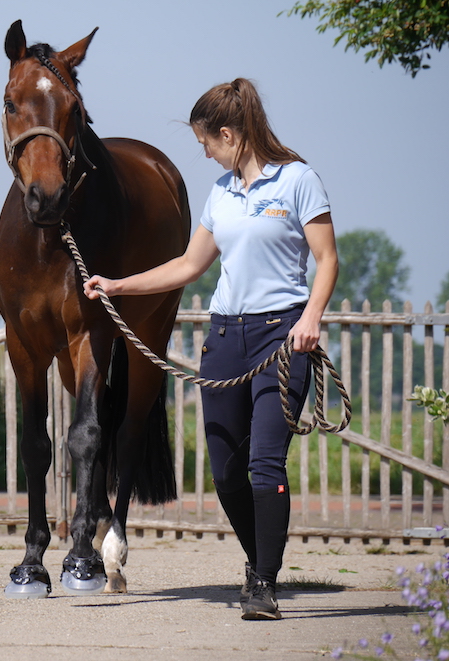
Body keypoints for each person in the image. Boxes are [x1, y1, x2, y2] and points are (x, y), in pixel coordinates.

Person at [83, 78, 339, 620]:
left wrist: (311, 317)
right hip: (225, 337)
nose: (203, 151)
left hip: (282, 336)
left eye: (206, 141)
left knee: (265, 464)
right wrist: (117, 285)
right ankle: (258, 561)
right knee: (225, 471)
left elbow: (327, 260)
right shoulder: (221, 192)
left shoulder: (298, 182)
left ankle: (263, 585)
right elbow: (188, 266)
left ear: (229, 133)